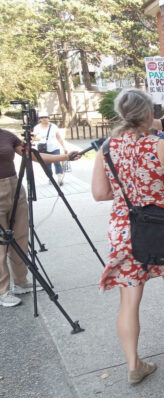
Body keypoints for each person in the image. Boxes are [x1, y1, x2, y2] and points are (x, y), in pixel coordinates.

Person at [92, 88, 164, 385]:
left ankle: (133, 364)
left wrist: (127, 194)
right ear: (146, 114)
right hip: (161, 226)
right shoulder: (161, 146)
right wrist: (155, 193)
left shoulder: (107, 147)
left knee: (129, 297)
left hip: (123, 229)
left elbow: (99, 193)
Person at [0, 115, 77, 307]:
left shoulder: (7, 136)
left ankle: (21, 281)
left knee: (21, 237)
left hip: (15, 188)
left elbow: (32, 155)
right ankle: (3, 291)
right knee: (1, 244)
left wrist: (65, 157)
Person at [32, 112, 69, 185]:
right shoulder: (37, 127)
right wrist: (29, 144)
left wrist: (64, 147)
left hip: (55, 147)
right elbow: (33, 137)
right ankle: (50, 178)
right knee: (47, 165)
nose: (44, 119)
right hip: (43, 149)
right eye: (42, 117)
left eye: (46, 117)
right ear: (40, 119)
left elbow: (59, 137)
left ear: (48, 118)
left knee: (57, 162)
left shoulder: (53, 126)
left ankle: (59, 178)